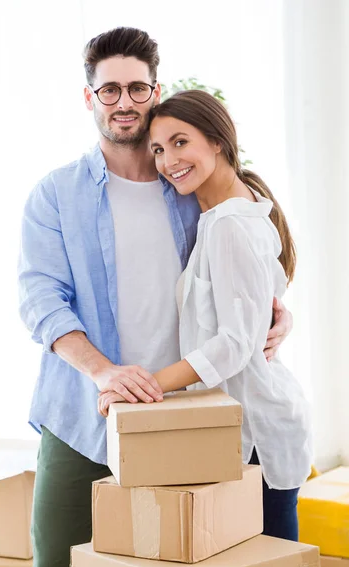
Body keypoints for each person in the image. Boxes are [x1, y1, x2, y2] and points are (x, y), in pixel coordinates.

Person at [18, 27, 293, 567]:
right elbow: (41, 300)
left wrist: (278, 310)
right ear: (89, 98)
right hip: (83, 415)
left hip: (188, 419)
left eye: (137, 89)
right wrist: (105, 373)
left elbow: (247, 265)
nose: (125, 102)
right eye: (110, 89)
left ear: (155, 91)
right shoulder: (57, 195)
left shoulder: (189, 184)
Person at [100, 89, 313, 543]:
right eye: (157, 149)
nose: (167, 160)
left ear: (218, 140)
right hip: (247, 421)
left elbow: (235, 343)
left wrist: (146, 387)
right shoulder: (229, 210)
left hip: (258, 432)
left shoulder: (231, 223)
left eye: (180, 142)